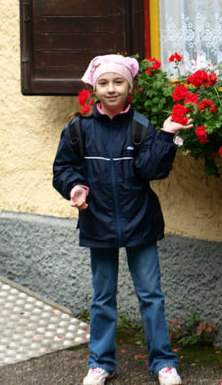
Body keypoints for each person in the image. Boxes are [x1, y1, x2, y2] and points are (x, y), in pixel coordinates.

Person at [53, 54, 190, 385]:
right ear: (94, 88)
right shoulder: (78, 129)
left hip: (140, 223)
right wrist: (75, 187)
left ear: (130, 87)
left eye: (118, 82)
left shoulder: (141, 127)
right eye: (104, 83)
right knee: (103, 297)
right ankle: (101, 362)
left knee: (151, 296)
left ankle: (163, 362)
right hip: (97, 224)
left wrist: (167, 135)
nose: (111, 89)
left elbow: (151, 170)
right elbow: (63, 169)